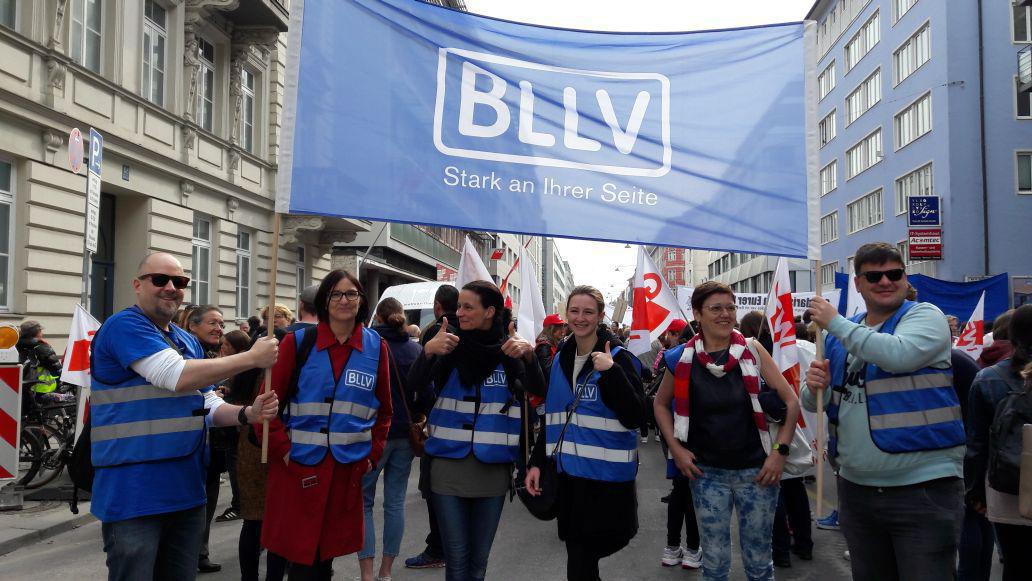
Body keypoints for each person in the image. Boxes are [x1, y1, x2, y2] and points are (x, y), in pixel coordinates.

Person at [90, 252, 279, 581]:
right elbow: (174, 375)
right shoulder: (124, 325)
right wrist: (251, 357)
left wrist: (247, 414)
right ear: (137, 285)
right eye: (159, 279)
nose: (170, 288)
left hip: (186, 489)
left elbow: (204, 402)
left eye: (179, 282)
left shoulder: (185, 340)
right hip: (133, 491)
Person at [803, 242, 965, 581]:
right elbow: (815, 400)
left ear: (906, 279)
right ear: (859, 284)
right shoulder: (842, 333)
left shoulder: (925, 316)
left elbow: (899, 355)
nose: (885, 281)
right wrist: (812, 385)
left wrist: (836, 323)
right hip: (857, 489)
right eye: (874, 275)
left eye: (894, 273)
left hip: (922, 489)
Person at [654, 283, 800, 581]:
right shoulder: (680, 358)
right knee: (715, 565)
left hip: (757, 473)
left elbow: (791, 401)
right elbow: (660, 404)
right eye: (716, 308)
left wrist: (779, 453)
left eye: (730, 308)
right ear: (697, 314)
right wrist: (677, 450)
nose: (725, 314)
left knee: (759, 563)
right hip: (706, 475)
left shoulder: (753, 350)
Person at [259, 269, 393, 579]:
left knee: (323, 560)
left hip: (345, 472)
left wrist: (372, 456)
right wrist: (283, 450)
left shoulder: (376, 347)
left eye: (351, 294)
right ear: (324, 300)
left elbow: (385, 411)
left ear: (361, 301)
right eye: (336, 294)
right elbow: (265, 406)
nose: (344, 300)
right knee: (298, 557)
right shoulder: (298, 343)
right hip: (298, 469)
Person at [411, 281, 543, 581]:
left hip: (493, 471)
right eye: (459, 306)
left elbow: (539, 390)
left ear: (490, 311)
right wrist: (428, 352)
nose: (460, 313)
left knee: (478, 564)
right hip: (446, 469)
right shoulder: (447, 343)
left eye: (468, 307)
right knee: (457, 562)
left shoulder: (510, 350)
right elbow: (412, 387)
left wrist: (530, 357)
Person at [525, 285, 645, 581]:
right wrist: (537, 463)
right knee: (579, 558)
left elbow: (637, 416)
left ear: (601, 316)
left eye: (588, 312)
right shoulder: (560, 358)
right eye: (575, 311)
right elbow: (555, 418)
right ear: (567, 314)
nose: (581, 318)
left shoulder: (618, 357)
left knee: (589, 554)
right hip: (570, 478)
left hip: (607, 481)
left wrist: (612, 373)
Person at [739, 311, 813, 568]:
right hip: (790, 426)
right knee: (795, 488)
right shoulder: (784, 348)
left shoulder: (753, 351)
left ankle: (780, 550)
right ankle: (804, 544)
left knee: (774, 490)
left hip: (770, 429)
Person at [965, 305, 1032, 581]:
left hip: (1007, 490)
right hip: (1006, 489)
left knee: (1015, 563)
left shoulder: (988, 378)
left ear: (1010, 338)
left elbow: (977, 443)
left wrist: (975, 492)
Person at [359, 298, 424, 581]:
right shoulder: (416, 349)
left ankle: (367, 572)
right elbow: (426, 390)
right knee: (395, 502)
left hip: (374, 434)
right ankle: (386, 572)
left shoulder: (370, 348)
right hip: (405, 435)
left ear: (380, 318)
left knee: (363, 501)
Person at [407, 284, 459, 570]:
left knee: (433, 487)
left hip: (436, 418)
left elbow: (421, 379)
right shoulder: (467, 332)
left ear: (438, 307)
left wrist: (423, 411)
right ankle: (445, 546)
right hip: (455, 425)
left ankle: (438, 547)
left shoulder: (433, 332)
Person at [184, 305, 229, 574]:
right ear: (193, 325)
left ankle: (200, 552)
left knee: (207, 501)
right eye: (213, 323)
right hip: (188, 448)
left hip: (211, 446)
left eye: (221, 324)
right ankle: (191, 554)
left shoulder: (209, 353)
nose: (219, 329)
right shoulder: (185, 353)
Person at [17, 320, 64, 395]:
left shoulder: (16, 346)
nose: (42, 333)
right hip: (42, 389)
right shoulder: (41, 347)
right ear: (37, 333)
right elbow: (56, 368)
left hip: (21, 388)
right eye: (41, 331)